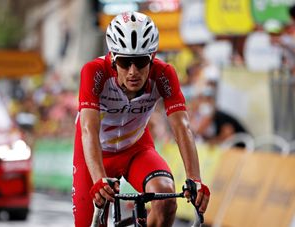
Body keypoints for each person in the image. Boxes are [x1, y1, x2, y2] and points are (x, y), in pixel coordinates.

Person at [72, 11, 210, 226]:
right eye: (125, 63)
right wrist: (99, 178)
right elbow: (88, 127)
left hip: (135, 149)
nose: (133, 72)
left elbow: (182, 126)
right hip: (95, 153)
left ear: (152, 57)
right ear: (113, 58)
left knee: (165, 196)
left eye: (141, 62)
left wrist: (195, 179)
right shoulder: (94, 71)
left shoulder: (164, 73)